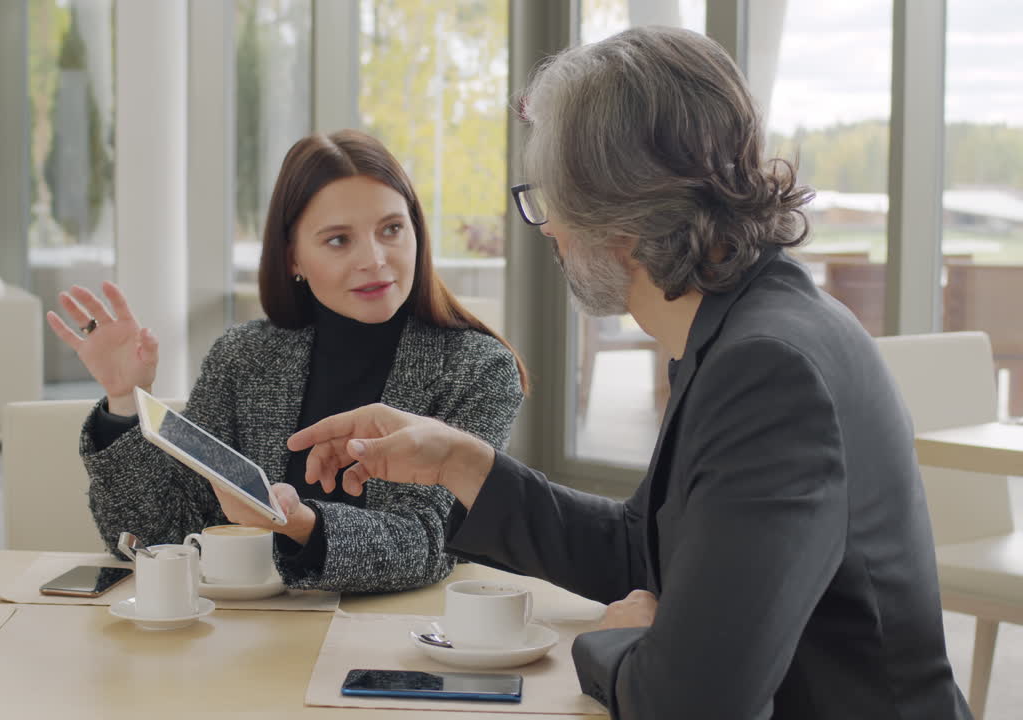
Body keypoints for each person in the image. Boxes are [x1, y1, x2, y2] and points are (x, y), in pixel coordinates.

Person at [288, 27, 971, 720]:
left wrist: (622, 641)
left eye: (551, 200)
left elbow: (689, 703)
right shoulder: (750, 327)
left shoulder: (769, 373)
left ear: (617, 215)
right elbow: (646, 550)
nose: (548, 230)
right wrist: (458, 464)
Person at [46, 129, 527, 593]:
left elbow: (431, 541)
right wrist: (124, 401)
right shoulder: (243, 358)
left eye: (392, 229)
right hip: (243, 632)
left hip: (397, 631)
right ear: (293, 256)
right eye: (339, 240)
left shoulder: (479, 369)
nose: (375, 258)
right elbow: (158, 536)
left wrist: (301, 524)